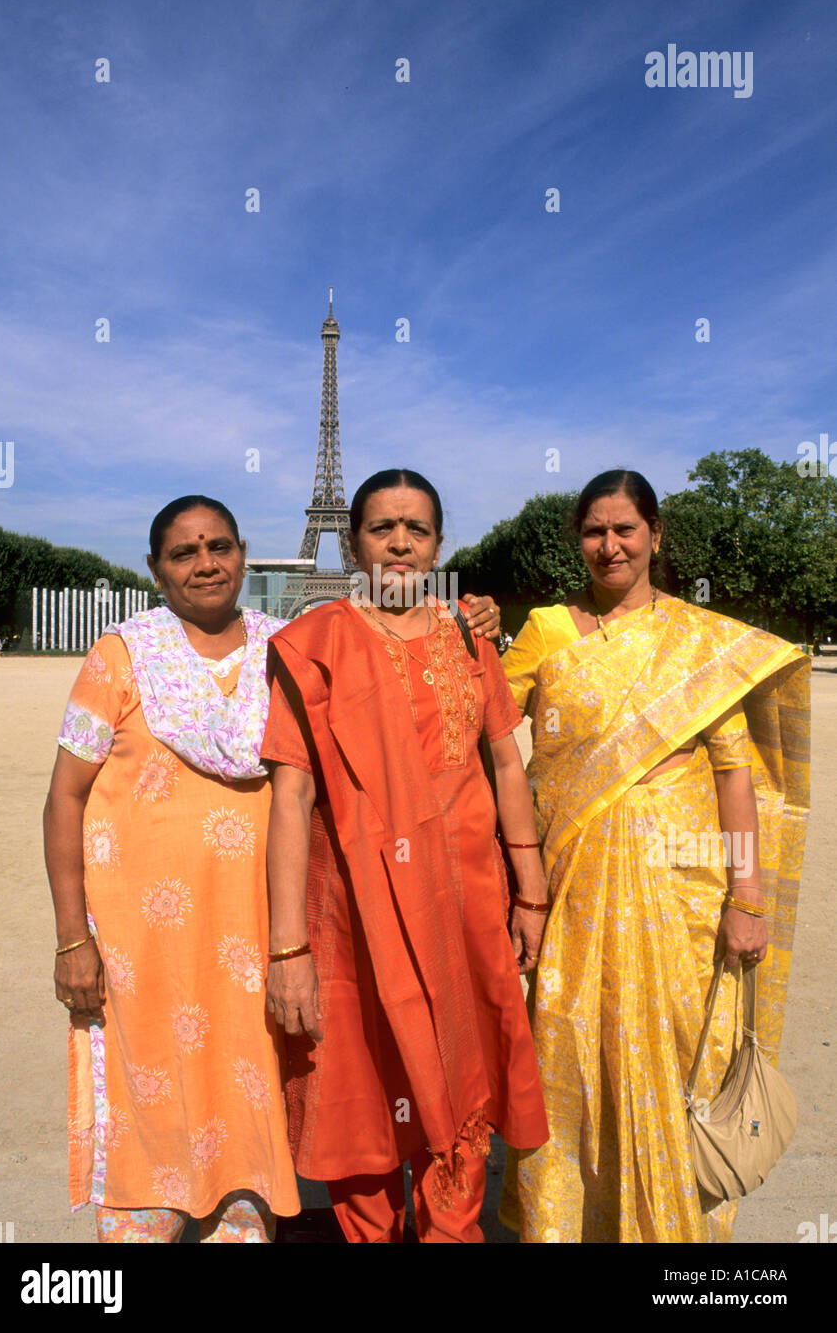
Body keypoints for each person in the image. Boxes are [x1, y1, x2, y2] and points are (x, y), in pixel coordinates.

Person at [43, 493, 501, 1243]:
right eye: (184, 552)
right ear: (154, 569)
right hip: (140, 948)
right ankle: (142, 1212)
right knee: (149, 1086)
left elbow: (384, 679)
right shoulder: (119, 657)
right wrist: (71, 938)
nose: (205, 564)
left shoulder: (289, 645)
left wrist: (468, 616)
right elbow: (64, 800)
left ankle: (242, 1212)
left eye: (219, 547)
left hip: (256, 937)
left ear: (244, 554)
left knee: (248, 1086)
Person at [499, 470, 810, 1244]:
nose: (610, 546)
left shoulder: (701, 645)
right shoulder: (547, 630)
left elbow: (735, 776)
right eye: (595, 531)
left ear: (655, 536)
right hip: (570, 885)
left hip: (683, 893)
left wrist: (747, 898)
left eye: (625, 530)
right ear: (579, 540)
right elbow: (484, 731)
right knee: (570, 1055)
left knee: (671, 1059)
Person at [261, 468, 550, 1243]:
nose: (398, 542)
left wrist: (530, 891)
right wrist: (287, 947)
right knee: (363, 1076)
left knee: (459, 1077)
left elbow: (508, 765)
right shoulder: (312, 643)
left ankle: (451, 1230)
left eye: (415, 529)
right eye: (382, 527)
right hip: (356, 914)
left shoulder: (468, 635)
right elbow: (291, 797)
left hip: (464, 908)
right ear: (353, 541)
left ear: (437, 545)